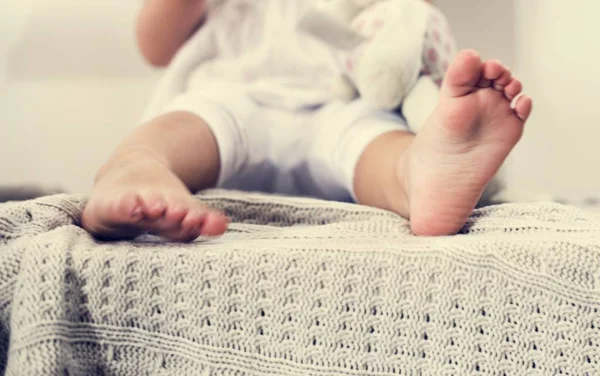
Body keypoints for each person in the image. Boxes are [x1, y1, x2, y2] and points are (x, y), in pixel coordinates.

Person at [81, 0, 532, 241]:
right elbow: (154, 46)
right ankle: (136, 167)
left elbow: (405, 22)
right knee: (178, 128)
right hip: (234, 91)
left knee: (377, 141)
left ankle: (420, 175)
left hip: (340, 97)